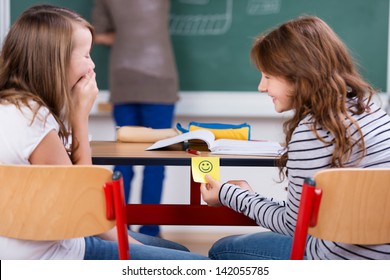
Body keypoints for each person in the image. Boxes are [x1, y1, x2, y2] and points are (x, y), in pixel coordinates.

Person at [0, 4, 207, 260]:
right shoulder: (35, 121)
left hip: (23, 248)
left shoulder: (13, 108)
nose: (93, 64)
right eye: (86, 55)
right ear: (55, 60)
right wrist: (79, 117)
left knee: (173, 251)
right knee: (196, 263)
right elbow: (85, 209)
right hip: (57, 253)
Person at [200, 16, 390, 260]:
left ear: (299, 75)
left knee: (222, 249)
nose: (261, 87)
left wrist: (228, 194)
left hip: (337, 259)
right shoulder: (371, 111)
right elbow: (310, 215)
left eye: (268, 76)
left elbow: (295, 225)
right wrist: (248, 196)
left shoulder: (314, 132)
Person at [91, 0, 179, 237]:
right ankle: (150, 231)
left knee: (123, 157)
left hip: (123, 76)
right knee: (157, 158)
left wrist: (127, 39)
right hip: (160, 76)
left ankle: (120, 226)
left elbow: (98, 35)